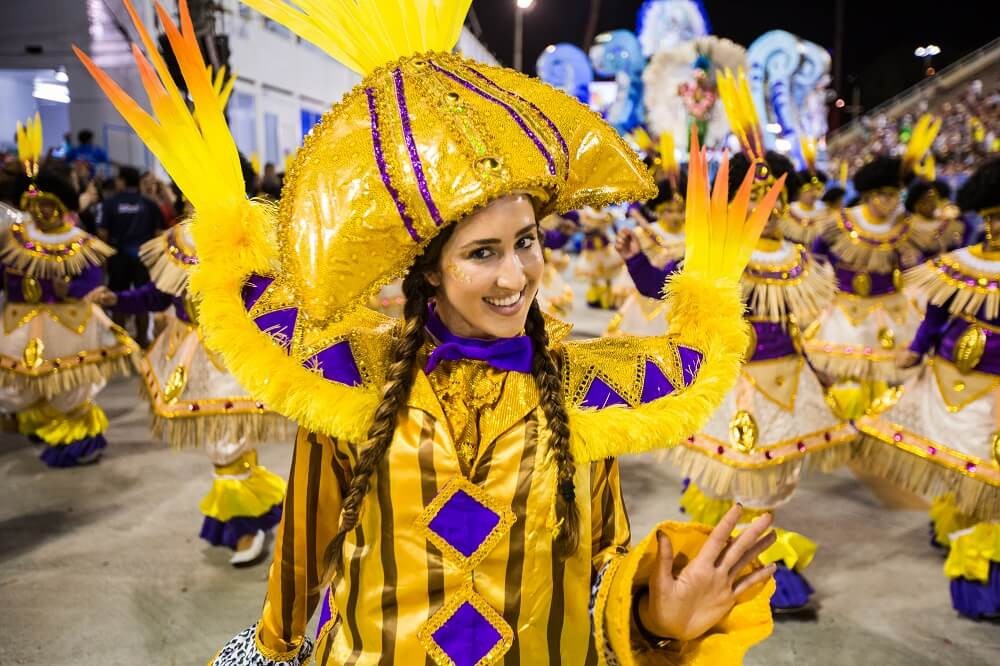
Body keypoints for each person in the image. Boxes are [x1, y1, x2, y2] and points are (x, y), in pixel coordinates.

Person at [80, 1, 783, 663]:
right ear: (429, 274)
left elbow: (596, 572)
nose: (517, 275)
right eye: (483, 253)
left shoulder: (584, 396)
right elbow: (300, 567)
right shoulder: (350, 381)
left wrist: (653, 620)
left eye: (527, 241)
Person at [86, 222, 289, 566]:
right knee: (221, 446)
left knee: (227, 446)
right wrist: (116, 298)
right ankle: (252, 509)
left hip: (233, 353)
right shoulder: (180, 241)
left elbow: (270, 298)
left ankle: (245, 525)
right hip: (189, 357)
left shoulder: (248, 237)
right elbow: (159, 294)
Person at [855, 158, 1000, 619]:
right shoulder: (959, 266)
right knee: (966, 477)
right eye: (995, 217)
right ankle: (977, 586)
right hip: (953, 387)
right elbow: (936, 317)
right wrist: (915, 351)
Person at [0, 116, 136, 467]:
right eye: (35, 205)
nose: (41, 212)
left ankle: (78, 441)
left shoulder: (78, 243)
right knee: (25, 385)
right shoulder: (13, 239)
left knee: (69, 389)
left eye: (48, 205)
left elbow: (92, 280)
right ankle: (43, 430)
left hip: (69, 326)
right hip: (22, 323)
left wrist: (69, 287)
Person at [96, 165, 165, 346]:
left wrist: (105, 261)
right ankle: (142, 341)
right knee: (143, 298)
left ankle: (121, 343)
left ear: (122, 181)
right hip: (144, 257)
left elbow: (102, 233)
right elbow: (159, 233)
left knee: (118, 297)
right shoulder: (149, 204)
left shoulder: (110, 203)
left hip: (118, 258)